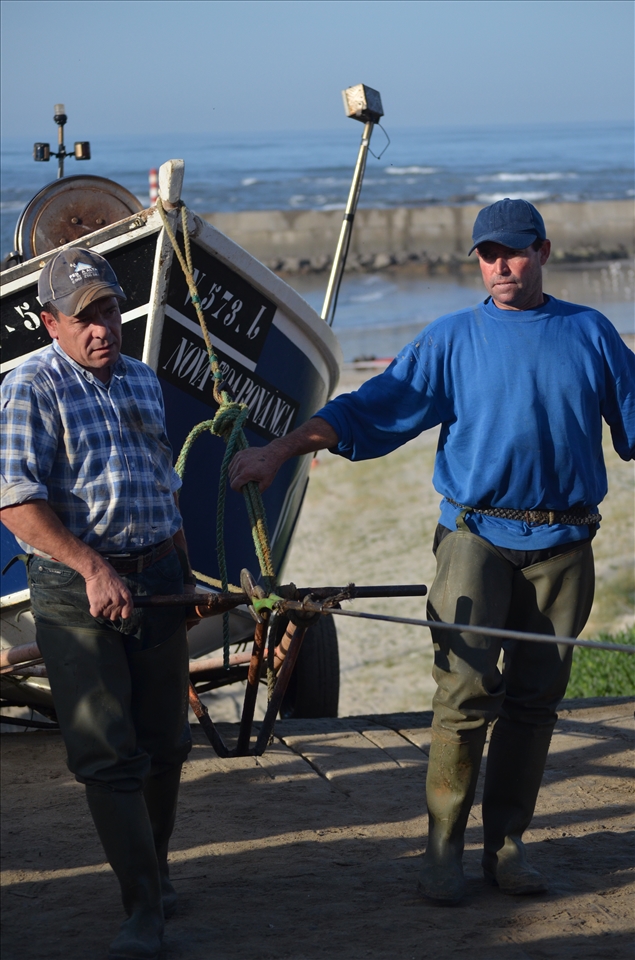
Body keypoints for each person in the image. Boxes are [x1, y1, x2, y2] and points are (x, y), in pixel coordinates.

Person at [229, 199, 635, 904]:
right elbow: (369, 410)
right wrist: (279, 448)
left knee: (537, 702)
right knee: (464, 693)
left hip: (566, 542)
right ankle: (441, 851)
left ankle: (506, 847)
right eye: (485, 254)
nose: (499, 266)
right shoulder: (450, 339)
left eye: (511, 251)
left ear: (541, 251)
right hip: (475, 534)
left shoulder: (590, 333)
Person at [0, 248, 197, 959]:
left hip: (158, 577)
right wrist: (90, 566)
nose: (100, 328)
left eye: (109, 310)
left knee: (167, 743)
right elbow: (15, 503)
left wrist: (184, 564)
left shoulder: (143, 380)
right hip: (75, 591)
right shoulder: (31, 387)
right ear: (50, 322)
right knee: (108, 754)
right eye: (82, 317)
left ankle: (159, 874)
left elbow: (161, 480)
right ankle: (142, 908)